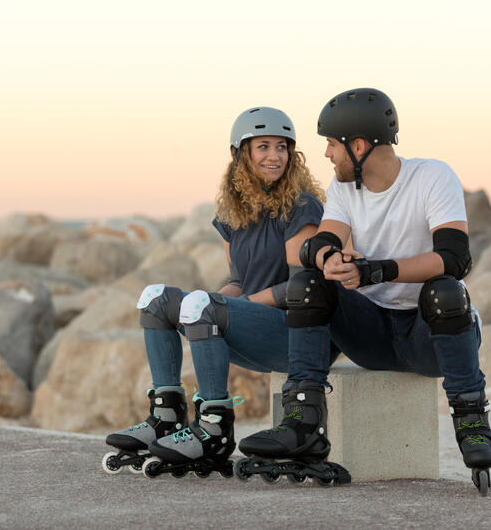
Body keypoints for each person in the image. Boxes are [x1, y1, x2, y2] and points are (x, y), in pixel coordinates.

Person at [238, 88, 491, 495]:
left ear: (357, 146)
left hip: (430, 337)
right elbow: (318, 243)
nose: (326, 154)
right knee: (308, 282)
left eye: (330, 144)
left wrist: (377, 271)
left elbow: (454, 257)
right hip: (373, 336)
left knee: (445, 290)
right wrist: (330, 258)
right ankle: (303, 423)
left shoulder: (432, 176)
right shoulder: (345, 187)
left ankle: (472, 423)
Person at [101, 106, 329, 478]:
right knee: (156, 299)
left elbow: (302, 289)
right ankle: (167, 417)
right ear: (241, 154)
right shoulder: (235, 213)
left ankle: (214, 427)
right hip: (255, 325)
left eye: (282, 148)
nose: (275, 156)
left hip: (295, 333)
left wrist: (220, 307)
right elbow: (238, 281)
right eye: (263, 147)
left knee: (201, 304)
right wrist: (202, 306)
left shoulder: (301, 206)